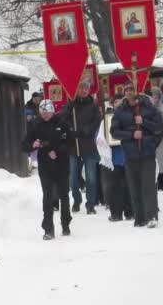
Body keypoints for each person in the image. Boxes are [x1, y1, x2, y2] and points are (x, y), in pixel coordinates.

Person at [111, 81, 163, 228]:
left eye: (131, 89)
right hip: (130, 153)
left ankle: (151, 215)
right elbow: (114, 132)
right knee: (134, 186)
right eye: (126, 90)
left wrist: (144, 122)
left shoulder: (148, 107)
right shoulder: (120, 111)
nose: (128, 92)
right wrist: (132, 134)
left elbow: (159, 127)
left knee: (148, 186)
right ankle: (139, 217)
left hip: (147, 153)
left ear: (136, 90)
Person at [22, 99, 72, 240]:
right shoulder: (36, 125)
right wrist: (33, 144)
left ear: (52, 111)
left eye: (47, 112)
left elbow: (70, 143)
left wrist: (58, 151)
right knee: (48, 197)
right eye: (42, 113)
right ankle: (48, 229)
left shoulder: (62, 123)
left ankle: (66, 223)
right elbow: (24, 144)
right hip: (45, 165)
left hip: (62, 163)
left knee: (64, 195)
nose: (45, 115)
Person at [60, 80, 102, 214]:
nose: (84, 91)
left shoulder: (93, 106)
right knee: (73, 179)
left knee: (91, 178)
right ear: (76, 89)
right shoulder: (70, 106)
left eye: (86, 88)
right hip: (74, 147)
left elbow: (97, 121)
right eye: (81, 88)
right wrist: (71, 130)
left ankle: (90, 203)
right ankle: (76, 200)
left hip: (88, 146)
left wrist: (85, 130)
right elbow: (62, 120)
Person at [101, 95, 134, 222]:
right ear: (112, 104)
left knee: (128, 185)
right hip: (113, 158)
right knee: (114, 187)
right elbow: (99, 136)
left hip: (128, 155)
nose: (118, 104)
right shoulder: (106, 119)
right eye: (115, 102)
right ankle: (116, 213)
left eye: (121, 102)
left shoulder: (130, 116)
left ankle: (130, 212)